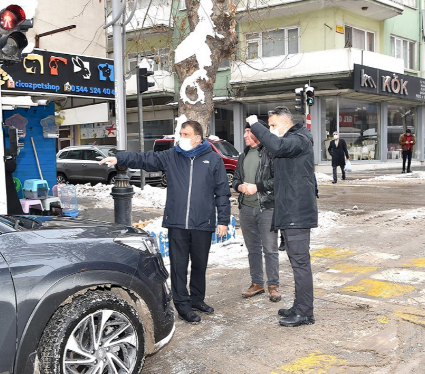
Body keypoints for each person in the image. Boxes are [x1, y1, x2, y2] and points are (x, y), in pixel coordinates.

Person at [100, 120, 231, 324]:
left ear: (198, 137)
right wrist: (119, 158)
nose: (181, 138)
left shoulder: (213, 159)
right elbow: (144, 159)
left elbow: (222, 192)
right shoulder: (172, 156)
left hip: (202, 222)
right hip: (177, 221)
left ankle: (197, 299)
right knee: (179, 266)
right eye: (181, 134)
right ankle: (183, 306)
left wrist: (223, 219)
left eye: (186, 134)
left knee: (199, 265)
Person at [246, 106, 318, 327]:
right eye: (269, 126)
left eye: (273, 125)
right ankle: (300, 306)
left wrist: (255, 125)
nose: (271, 130)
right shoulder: (292, 142)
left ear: (286, 124)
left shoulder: (299, 139)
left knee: (300, 263)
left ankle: (305, 313)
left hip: (296, 212)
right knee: (297, 262)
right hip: (290, 211)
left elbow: (276, 144)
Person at [232, 119, 280, 302]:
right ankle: (257, 283)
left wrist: (256, 187)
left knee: (270, 249)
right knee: (253, 249)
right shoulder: (243, 155)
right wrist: (239, 187)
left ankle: (273, 285)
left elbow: (278, 181)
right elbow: (235, 178)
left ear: (257, 133)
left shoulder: (270, 153)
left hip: (267, 208)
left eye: (247, 131)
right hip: (246, 209)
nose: (244, 135)